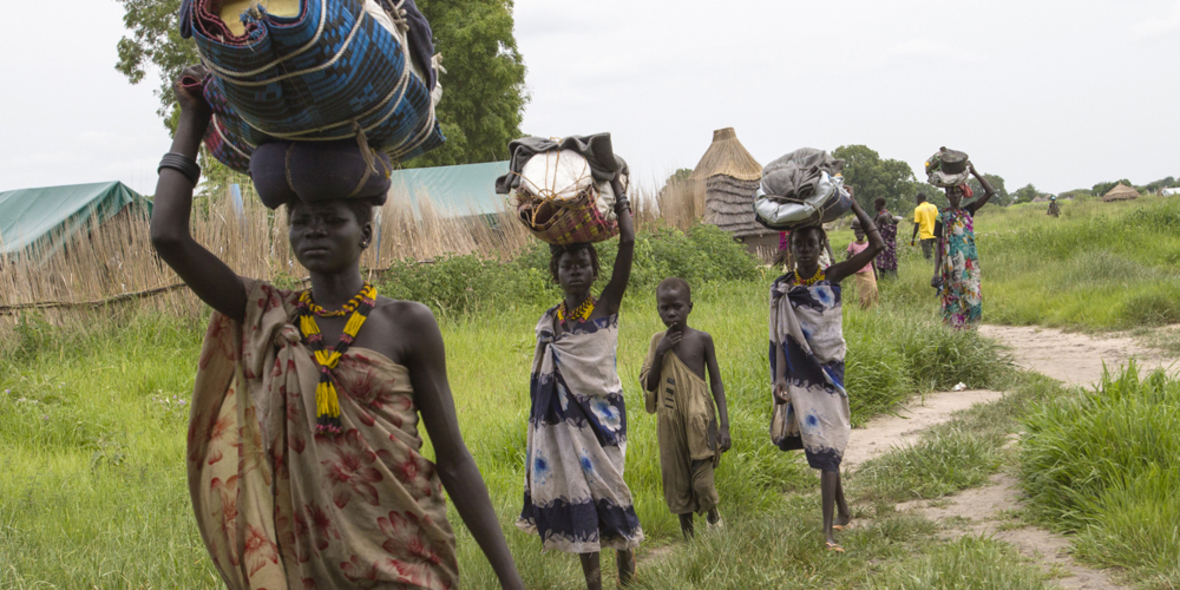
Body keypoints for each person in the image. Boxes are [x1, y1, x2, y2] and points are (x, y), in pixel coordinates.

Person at [151, 66, 524, 590]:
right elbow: (168, 236)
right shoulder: (268, 314)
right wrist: (192, 119)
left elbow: (455, 459)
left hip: (407, 557)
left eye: (332, 219)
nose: (314, 231)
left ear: (365, 232)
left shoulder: (407, 324)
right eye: (300, 221)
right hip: (308, 565)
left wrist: (512, 580)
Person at [516, 183, 642, 590]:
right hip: (563, 428)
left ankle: (627, 564)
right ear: (555, 272)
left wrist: (618, 190)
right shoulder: (550, 322)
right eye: (567, 264)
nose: (574, 269)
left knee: (612, 491)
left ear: (594, 270)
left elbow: (627, 242)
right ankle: (594, 585)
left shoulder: (606, 307)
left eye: (583, 263)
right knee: (580, 497)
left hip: (604, 421)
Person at [769, 200, 883, 553]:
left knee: (828, 444)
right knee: (824, 446)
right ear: (791, 248)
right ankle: (842, 513)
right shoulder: (783, 288)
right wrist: (779, 380)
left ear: (821, 247)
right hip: (800, 377)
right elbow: (778, 337)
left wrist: (854, 205)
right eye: (799, 243)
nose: (805, 250)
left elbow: (877, 246)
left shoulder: (833, 276)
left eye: (811, 244)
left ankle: (827, 532)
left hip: (830, 371)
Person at [639, 278, 732, 539]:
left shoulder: (702, 340)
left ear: (689, 307)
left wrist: (724, 425)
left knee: (702, 482)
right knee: (678, 480)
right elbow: (651, 383)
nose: (671, 313)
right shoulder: (657, 341)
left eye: (677, 307)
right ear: (657, 310)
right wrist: (660, 352)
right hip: (669, 422)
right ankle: (689, 540)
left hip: (700, 420)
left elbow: (715, 381)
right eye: (664, 308)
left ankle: (713, 514)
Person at [931, 162, 997, 329]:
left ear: (963, 194)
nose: (954, 196)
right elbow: (938, 244)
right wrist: (935, 272)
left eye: (958, 192)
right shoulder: (941, 215)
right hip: (951, 267)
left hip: (969, 266)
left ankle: (971, 331)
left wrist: (974, 171)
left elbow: (990, 192)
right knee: (953, 299)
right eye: (951, 192)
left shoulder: (969, 211)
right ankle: (956, 334)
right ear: (946, 195)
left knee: (973, 299)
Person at [845, 220, 879, 309]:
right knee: (864, 293)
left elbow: (872, 259)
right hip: (859, 272)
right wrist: (850, 254)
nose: (859, 234)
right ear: (854, 233)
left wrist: (875, 272)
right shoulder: (852, 245)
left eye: (861, 232)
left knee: (874, 290)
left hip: (869, 271)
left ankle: (873, 308)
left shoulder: (868, 244)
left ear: (864, 233)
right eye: (857, 232)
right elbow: (847, 259)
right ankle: (863, 308)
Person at [873, 197, 899, 279]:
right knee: (885, 264)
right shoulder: (883, 215)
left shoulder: (883, 216)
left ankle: (889, 281)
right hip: (885, 245)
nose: (874, 206)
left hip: (885, 245)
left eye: (875, 205)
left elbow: (875, 230)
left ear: (879, 205)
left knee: (887, 264)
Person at [910, 192, 939, 260]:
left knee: (928, 257)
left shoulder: (918, 209)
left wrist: (913, 238)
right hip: (935, 234)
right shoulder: (933, 207)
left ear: (919, 199)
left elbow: (917, 225)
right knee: (938, 254)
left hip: (925, 236)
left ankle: (931, 269)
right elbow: (938, 220)